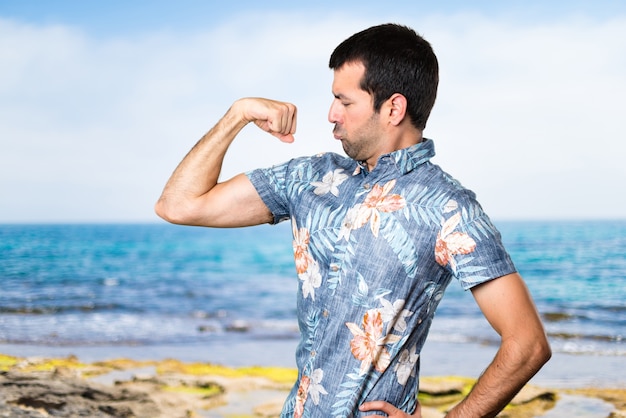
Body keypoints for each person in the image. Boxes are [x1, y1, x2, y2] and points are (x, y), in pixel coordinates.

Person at [155, 23, 551, 417]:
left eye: (345, 102)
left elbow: (527, 343)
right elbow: (179, 205)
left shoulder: (449, 208)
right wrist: (237, 114)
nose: (331, 114)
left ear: (393, 108)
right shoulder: (311, 179)